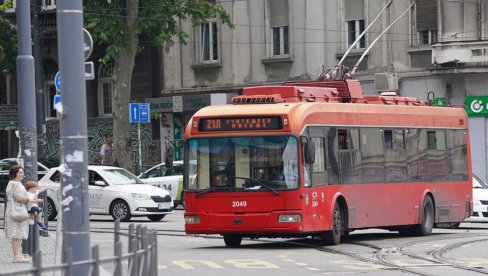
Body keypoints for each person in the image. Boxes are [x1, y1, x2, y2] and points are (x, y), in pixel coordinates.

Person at [4, 165, 36, 263]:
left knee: (18, 234)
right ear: (15, 174)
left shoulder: (14, 183)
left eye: (22, 172)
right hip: (17, 210)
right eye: (20, 173)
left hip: (15, 209)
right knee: (16, 234)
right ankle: (17, 256)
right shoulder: (15, 184)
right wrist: (30, 199)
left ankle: (19, 255)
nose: (23, 175)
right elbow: (19, 197)